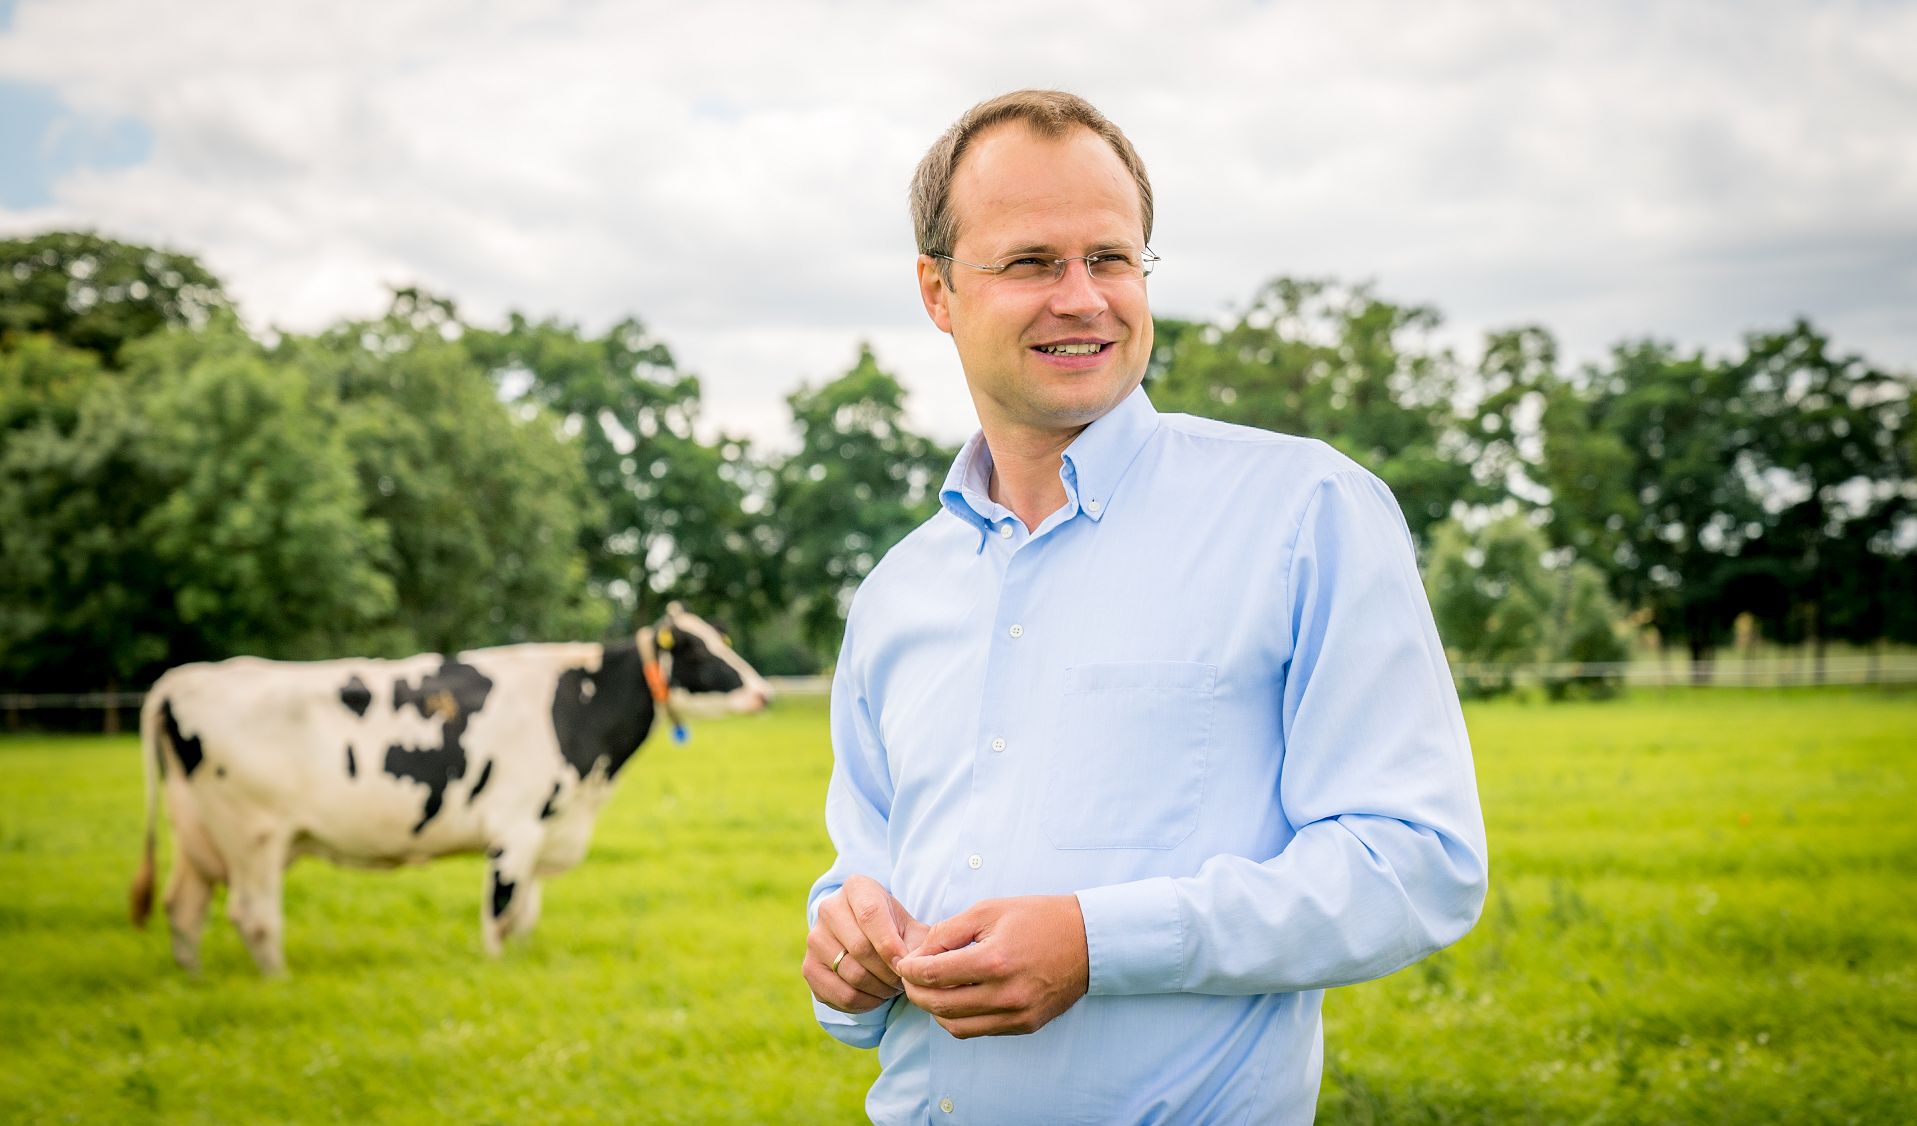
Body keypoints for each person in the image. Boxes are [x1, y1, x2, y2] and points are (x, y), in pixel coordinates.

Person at [802, 89, 1488, 1124]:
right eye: (1032, 262)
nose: (1083, 297)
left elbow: (1416, 863)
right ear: (937, 291)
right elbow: (863, 869)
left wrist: (1096, 943)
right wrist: (844, 950)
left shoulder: (1304, 510)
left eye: (1111, 259)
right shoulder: (898, 590)